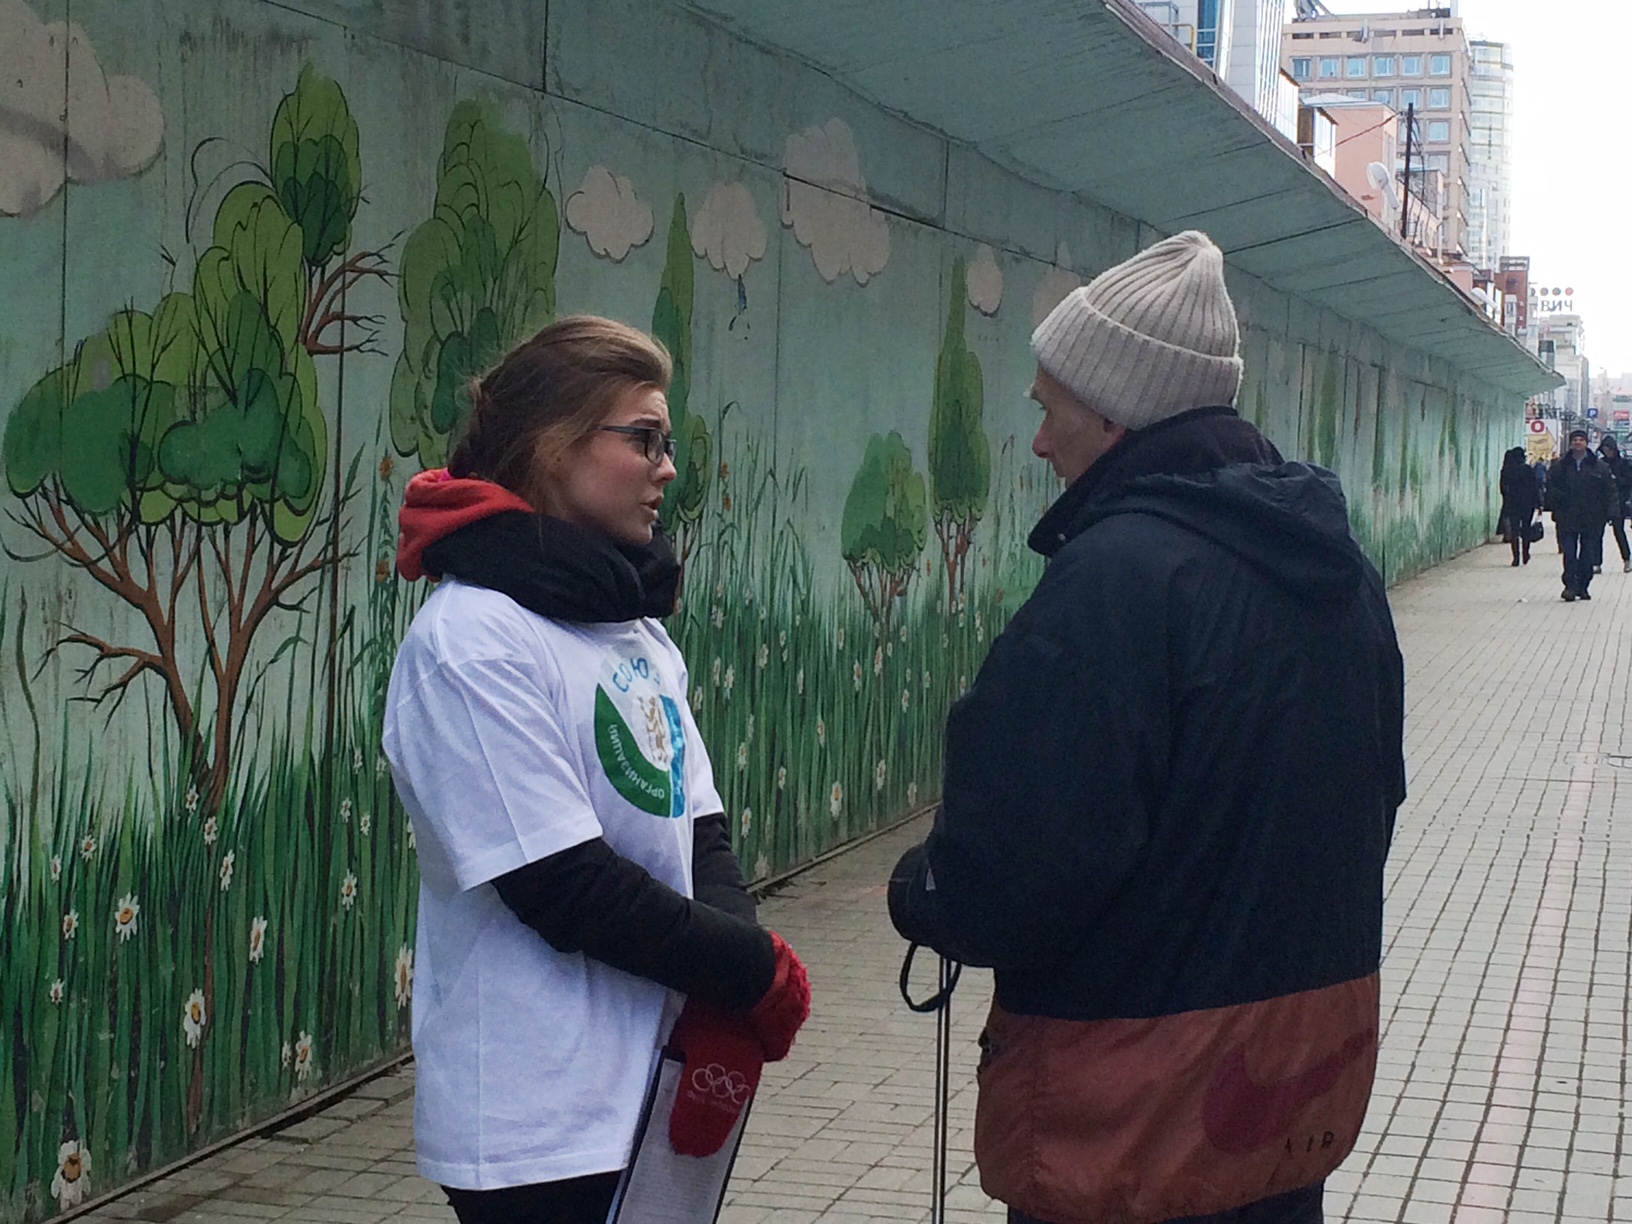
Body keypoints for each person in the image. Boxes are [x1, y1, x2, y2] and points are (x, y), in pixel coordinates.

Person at [888, 232, 1404, 1224]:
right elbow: (1370, 805)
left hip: (1128, 1130)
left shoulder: (1115, 583)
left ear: (1117, 414)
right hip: (1282, 1105)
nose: (1038, 441)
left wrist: (928, 891)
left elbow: (1017, 874)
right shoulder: (1343, 579)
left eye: (1049, 409)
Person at [383, 316, 810, 1224]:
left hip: (652, 1091)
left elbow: (701, 834)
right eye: (644, 438)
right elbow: (563, 885)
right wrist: (750, 969)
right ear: (551, 446)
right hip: (535, 1122)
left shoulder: (633, 624)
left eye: (668, 441)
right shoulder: (470, 642)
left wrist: (723, 1001)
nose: (667, 467)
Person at [1546, 429, 1617, 600]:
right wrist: (1556, 503)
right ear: (1571, 443)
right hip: (1567, 517)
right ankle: (1570, 586)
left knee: (1587, 555)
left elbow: (1610, 492)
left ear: (1586, 443)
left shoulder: (1599, 467)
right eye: (1575, 439)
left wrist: (1612, 513)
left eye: (1581, 440)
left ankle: (1583, 586)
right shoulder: (1560, 467)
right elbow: (1550, 488)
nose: (1578, 442)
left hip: (1591, 518)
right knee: (1569, 554)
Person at [1497, 446, 1540, 566]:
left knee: (1514, 531)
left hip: (1512, 504)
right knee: (1526, 529)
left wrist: (1507, 501)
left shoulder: (1506, 470)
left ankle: (1515, 557)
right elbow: (1535, 487)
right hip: (1527, 504)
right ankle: (1526, 553)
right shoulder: (1527, 469)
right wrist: (1539, 504)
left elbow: (1503, 489)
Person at [1597, 433, 1632, 572]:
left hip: (1618, 502)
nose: (1607, 451)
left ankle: (1627, 558)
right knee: (1597, 533)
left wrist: (1615, 480)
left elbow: (1628, 482)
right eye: (1605, 449)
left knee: (1619, 531)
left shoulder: (1623, 464)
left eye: (1609, 449)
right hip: (1601, 503)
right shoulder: (1599, 464)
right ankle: (1596, 562)